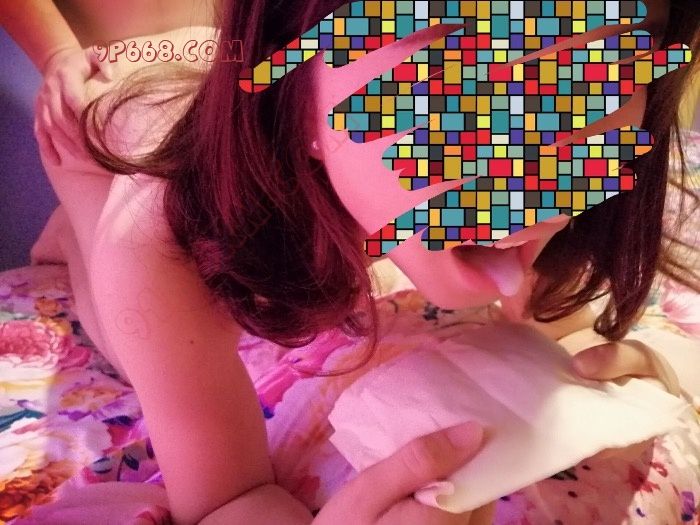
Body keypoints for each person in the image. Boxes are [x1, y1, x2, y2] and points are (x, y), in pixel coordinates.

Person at [2, 0, 699, 523]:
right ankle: (74, 233)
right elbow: (229, 496)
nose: (540, 156)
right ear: (295, 91)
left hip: (218, 77)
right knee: (121, 313)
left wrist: (655, 370)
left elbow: (556, 318)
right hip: (120, 129)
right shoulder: (156, 228)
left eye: (609, 55)